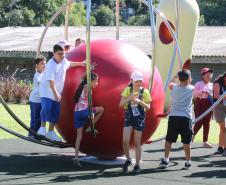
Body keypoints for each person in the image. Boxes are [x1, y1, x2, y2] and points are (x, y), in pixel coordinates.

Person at [37, 44, 86, 141]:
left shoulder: (63, 61)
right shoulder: (51, 65)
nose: (62, 56)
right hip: (47, 91)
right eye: (59, 54)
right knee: (47, 108)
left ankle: (51, 131)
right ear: (54, 54)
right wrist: (56, 94)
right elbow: (51, 81)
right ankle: (42, 128)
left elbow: (70, 64)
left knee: (56, 112)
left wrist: (82, 63)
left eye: (63, 54)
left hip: (57, 92)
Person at [159, 69, 194, 170]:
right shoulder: (192, 88)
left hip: (174, 117)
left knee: (169, 140)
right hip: (185, 118)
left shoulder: (173, 87)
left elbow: (170, 82)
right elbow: (195, 91)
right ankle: (188, 162)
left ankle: (166, 160)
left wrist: (175, 76)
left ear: (179, 79)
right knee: (186, 142)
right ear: (189, 79)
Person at [119, 71, 151, 174]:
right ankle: (128, 160)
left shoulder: (145, 91)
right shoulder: (128, 90)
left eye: (140, 81)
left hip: (139, 119)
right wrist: (129, 98)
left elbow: (148, 107)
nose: (139, 83)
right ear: (132, 80)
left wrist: (138, 101)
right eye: (137, 81)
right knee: (125, 141)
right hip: (129, 117)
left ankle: (137, 165)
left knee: (137, 143)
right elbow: (120, 104)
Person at [73, 73, 104, 167]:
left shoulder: (82, 85)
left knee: (79, 136)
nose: (97, 83)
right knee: (101, 109)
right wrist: (91, 113)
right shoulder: (87, 88)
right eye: (96, 81)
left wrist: (89, 71)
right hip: (84, 112)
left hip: (77, 113)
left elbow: (83, 78)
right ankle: (90, 126)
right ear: (91, 81)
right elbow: (89, 104)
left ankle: (76, 157)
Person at [193, 68, 213, 147]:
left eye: (210, 74)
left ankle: (205, 141)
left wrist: (210, 94)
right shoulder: (198, 83)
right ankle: (190, 138)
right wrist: (203, 92)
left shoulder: (212, 85)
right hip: (199, 104)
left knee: (207, 123)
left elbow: (214, 96)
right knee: (199, 121)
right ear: (202, 75)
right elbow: (194, 94)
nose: (209, 75)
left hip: (209, 105)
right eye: (207, 74)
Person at [28, 56, 46, 138]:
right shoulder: (37, 75)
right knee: (35, 118)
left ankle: (36, 134)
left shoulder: (43, 74)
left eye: (45, 63)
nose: (44, 65)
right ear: (37, 66)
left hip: (41, 100)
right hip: (35, 100)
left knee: (40, 118)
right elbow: (40, 83)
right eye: (42, 63)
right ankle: (31, 134)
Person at [213, 72, 226, 156]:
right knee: (223, 128)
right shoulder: (217, 83)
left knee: (224, 129)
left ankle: (221, 147)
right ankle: (222, 148)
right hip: (219, 106)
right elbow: (216, 95)